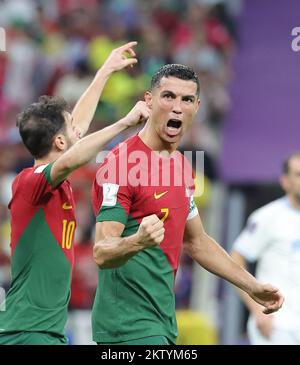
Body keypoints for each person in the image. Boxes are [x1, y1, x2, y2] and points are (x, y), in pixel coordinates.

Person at [91, 64, 284, 345]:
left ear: (197, 106)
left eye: (187, 99)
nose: (177, 107)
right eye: (168, 96)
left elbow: (197, 242)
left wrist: (252, 286)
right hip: (127, 326)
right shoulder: (122, 164)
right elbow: (102, 251)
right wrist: (137, 241)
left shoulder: (181, 167)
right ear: (148, 101)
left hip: (162, 323)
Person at [0, 41, 150, 345]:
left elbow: (75, 135)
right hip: (26, 332)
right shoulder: (30, 182)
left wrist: (104, 72)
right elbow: (75, 155)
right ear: (58, 141)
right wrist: (124, 123)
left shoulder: (51, 176)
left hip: (47, 331)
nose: (79, 130)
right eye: (71, 129)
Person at [231, 152, 300, 345]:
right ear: (285, 181)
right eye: (298, 174)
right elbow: (235, 260)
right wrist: (256, 310)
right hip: (277, 326)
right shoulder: (267, 217)